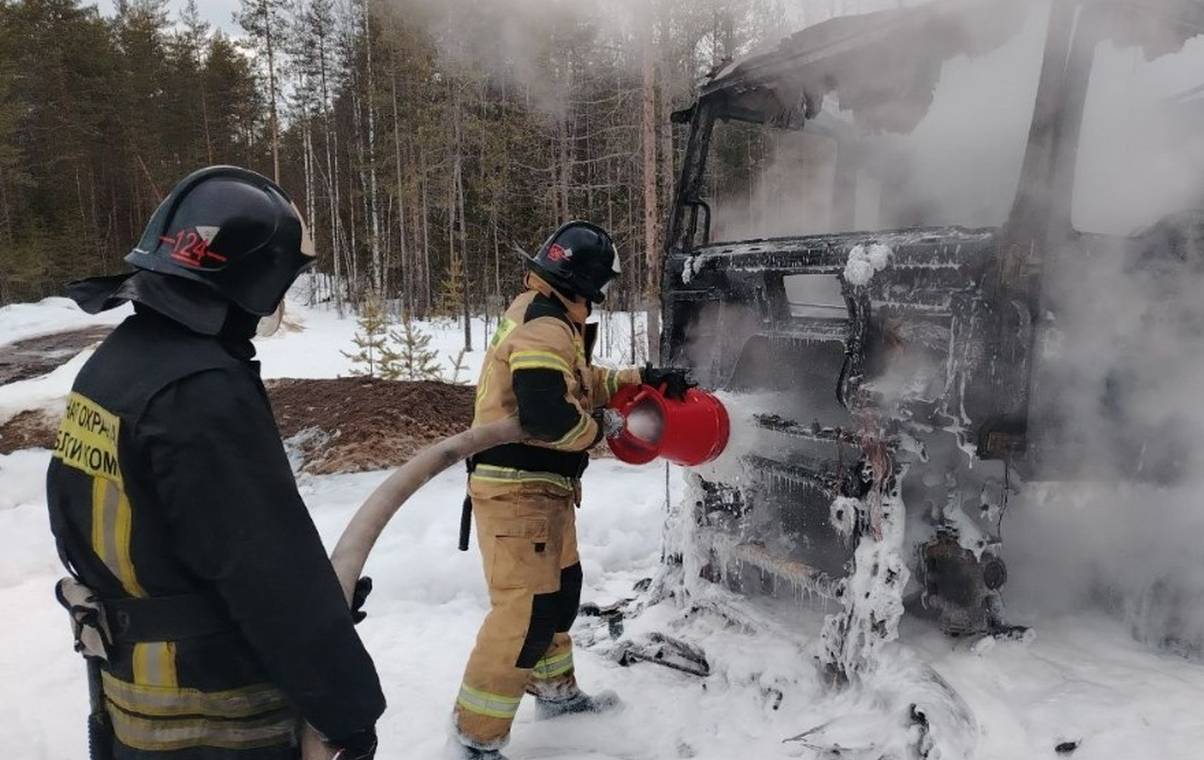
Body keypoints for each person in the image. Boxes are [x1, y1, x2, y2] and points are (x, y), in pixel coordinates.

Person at [46, 166, 384, 760]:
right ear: (250, 282)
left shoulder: (116, 366)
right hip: (212, 711)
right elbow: (266, 572)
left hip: (134, 703)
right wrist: (347, 709)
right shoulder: (201, 392)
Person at [452, 221, 691, 759]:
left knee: (557, 596)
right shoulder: (545, 326)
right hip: (518, 493)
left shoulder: (549, 316)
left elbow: (578, 383)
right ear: (586, 281)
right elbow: (547, 416)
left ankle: (555, 693)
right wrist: (601, 430)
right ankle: (475, 738)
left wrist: (640, 376)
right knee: (524, 613)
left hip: (543, 491)